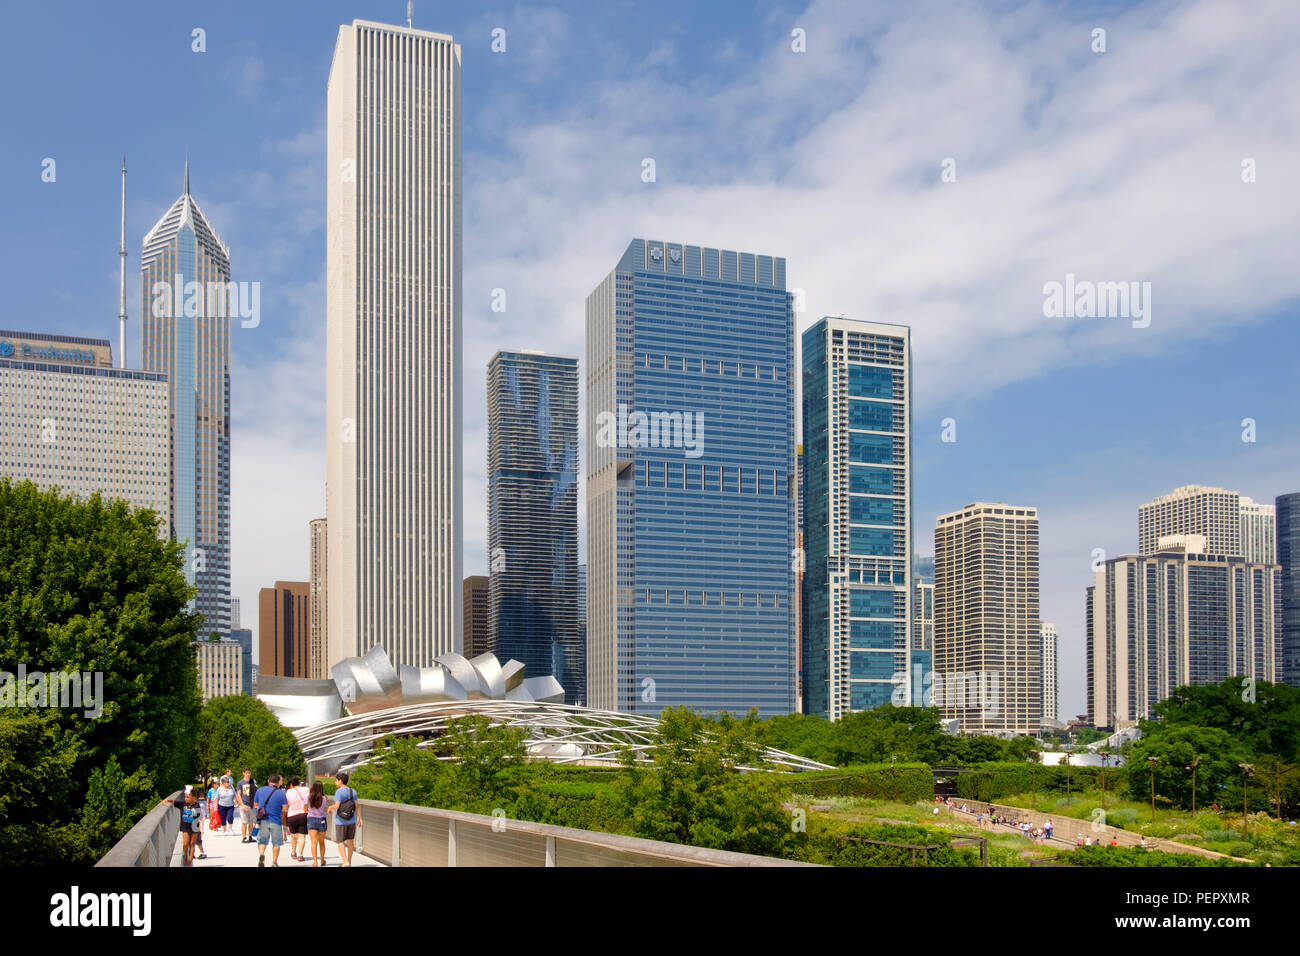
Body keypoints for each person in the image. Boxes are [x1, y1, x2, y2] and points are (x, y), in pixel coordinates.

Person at [161, 786, 204, 867]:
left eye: (188, 797)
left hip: (194, 827)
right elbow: (174, 802)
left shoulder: (197, 806)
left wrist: (201, 829)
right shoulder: (182, 804)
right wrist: (167, 800)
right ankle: (185, 856)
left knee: (192, 844)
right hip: (185, 827)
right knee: (185, 844)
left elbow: (199, 818)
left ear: (193, 798)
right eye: (185, 797)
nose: (186, 799)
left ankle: (189, 862)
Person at [327, 771, 362, 867]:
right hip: (352, 819)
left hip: (341, 820)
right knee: (350, 841)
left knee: (340, 841)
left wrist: (330, 807)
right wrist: (360, 818)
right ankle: (349, 862)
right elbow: (357, 806)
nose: (335, 782)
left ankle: (345, 862)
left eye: (336, 780)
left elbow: (337, 806)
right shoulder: (353, 791)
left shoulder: (338, 792)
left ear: (340, 781)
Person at [254, 773, 289, 867]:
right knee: (276, 843)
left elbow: (255, 805)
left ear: (268, 781)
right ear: (278, 782)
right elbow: (285, 809)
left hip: (263, 820)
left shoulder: (260, 790)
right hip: (276, 820)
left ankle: (261, 855)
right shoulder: (281, 793)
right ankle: (274, 862)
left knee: (262, 841)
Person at [285, 776, 311, 862]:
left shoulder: (288, 792)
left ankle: (293, 853)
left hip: (292, 815)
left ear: (291, 784)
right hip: (303, 815)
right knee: (302, 836)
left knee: (293, 836)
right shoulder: (306, 789)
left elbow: (286, 805)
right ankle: (300, 854)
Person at [306, 781, 329, 867]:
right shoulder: (324, 798)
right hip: (321, 820)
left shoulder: (308, 797)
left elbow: (305, 808)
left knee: (313, 842)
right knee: (321, 842)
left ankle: (315, 862)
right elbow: (326, 808)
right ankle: (322, 860)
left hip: (311, 820)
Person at [235, 769, 257, 843]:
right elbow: (238, 794)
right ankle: (244, 837)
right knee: (244, 822)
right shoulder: (240, 783)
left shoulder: (252, 782)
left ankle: (250, 836)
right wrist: (241, 804)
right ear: (243, 773)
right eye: (246, 773)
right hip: (244, 804)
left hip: (252, 804)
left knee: (251, 822)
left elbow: (256, 792)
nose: (248, 774)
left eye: (249, 773)